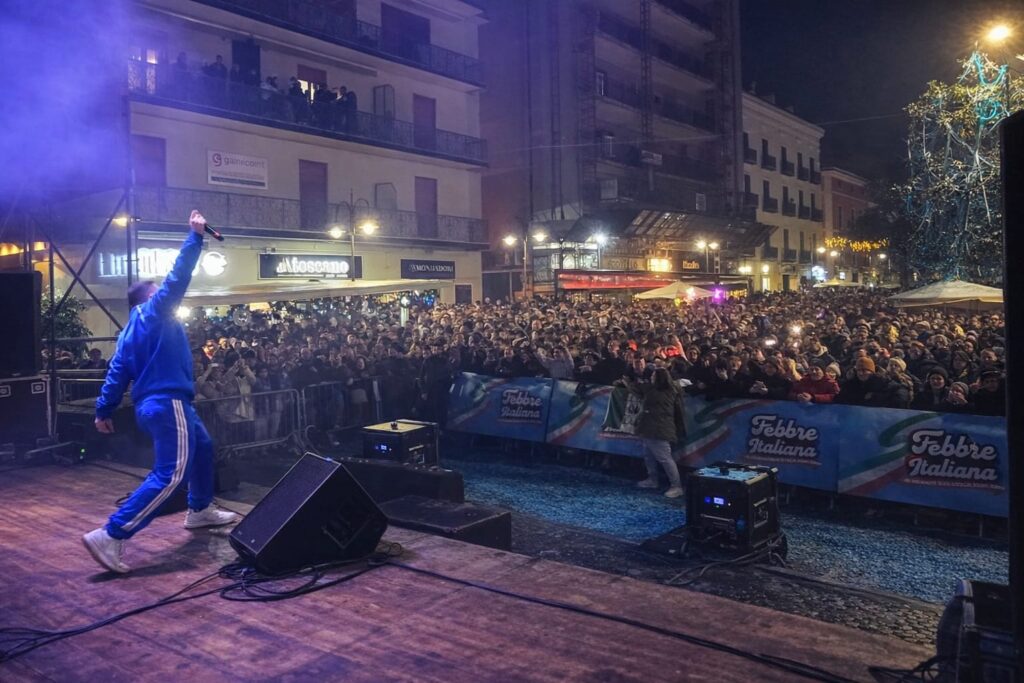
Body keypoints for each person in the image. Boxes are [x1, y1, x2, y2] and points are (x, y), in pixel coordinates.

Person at [83, 211, 238, 574]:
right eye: (158, 293)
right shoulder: (153, 311)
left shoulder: (127, 334)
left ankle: (199, 510)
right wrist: (195, 237)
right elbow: (178, 278)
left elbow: (116, 372)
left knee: (203, 448)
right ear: (149, 297)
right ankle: (112, 534)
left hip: (153, 404)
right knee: (170, 475)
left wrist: (103, 411)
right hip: (169, 402)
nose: (165, 297)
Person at [622, 368, 685, 498]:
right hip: (651, 428)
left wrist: (629, 383)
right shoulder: (672, 390)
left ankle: (676, 486)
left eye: (653, 376)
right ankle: (653, 479)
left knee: (665, 458)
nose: (651, 378)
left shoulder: (655, 391)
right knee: (649, 455)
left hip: (658, 429)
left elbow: (638, 390)